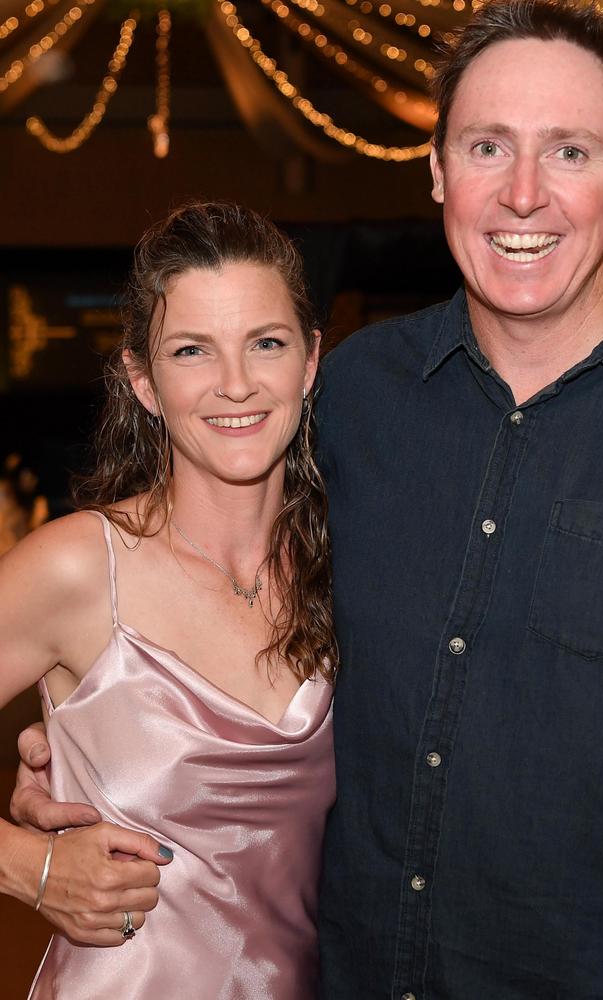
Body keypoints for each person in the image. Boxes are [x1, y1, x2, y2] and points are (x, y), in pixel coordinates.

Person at [13, 2, 603, 997]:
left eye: (568, 150)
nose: (522, 193)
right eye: (487, 146)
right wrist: (78, 773)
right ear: (436, 169)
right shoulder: (357, 397)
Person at [2, 201, 336, 999]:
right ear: (144, 382)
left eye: (266, 343)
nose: (235, 384)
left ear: (310, 361)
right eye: (192, 351)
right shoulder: (79, 570)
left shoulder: (354, 566)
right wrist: (29, 865)